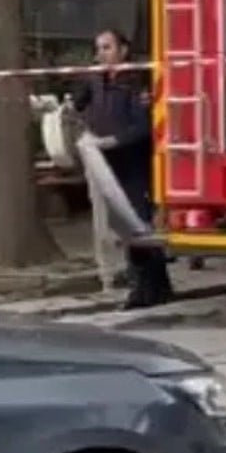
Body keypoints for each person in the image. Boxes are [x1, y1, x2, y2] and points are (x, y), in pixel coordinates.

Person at [74, 29, 171, 308]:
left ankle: (144, 287)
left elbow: (145, 127)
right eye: (99, 48)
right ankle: (155, 286)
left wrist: (114, 140)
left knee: (137, 224)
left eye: (107, 48)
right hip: (105, 163)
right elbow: (80, 105)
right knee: (122, 226)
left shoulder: (135, 82)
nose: (102, 54)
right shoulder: (97, 81)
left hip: (132, 161)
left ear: (123, 50)